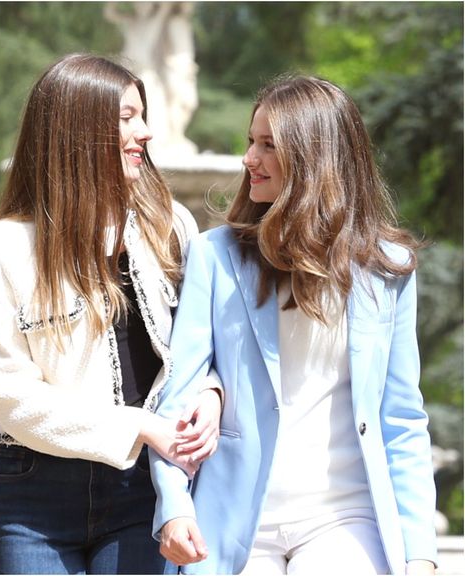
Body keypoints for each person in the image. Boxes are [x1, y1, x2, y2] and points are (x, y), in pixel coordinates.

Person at [151, 75, 438, 575]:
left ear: (314, 159)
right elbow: (179, 393)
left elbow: (401, 420)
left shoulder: (387, 269)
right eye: (250, 141)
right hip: (236, 519)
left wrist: (421, 555)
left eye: (267, 145)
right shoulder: (214, 257)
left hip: (346, 517)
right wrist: (173, 505)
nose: (248, 159)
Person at [0, 53, 222, 575]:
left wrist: (211, 395)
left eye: (142, 114)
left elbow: (206, 345)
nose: (146, 132)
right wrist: (141, 425)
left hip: (145, 485)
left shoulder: (170, 225)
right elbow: (12, 396)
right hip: (34, 492)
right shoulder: (4, 246)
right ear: (76, 128)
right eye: (127, 117)